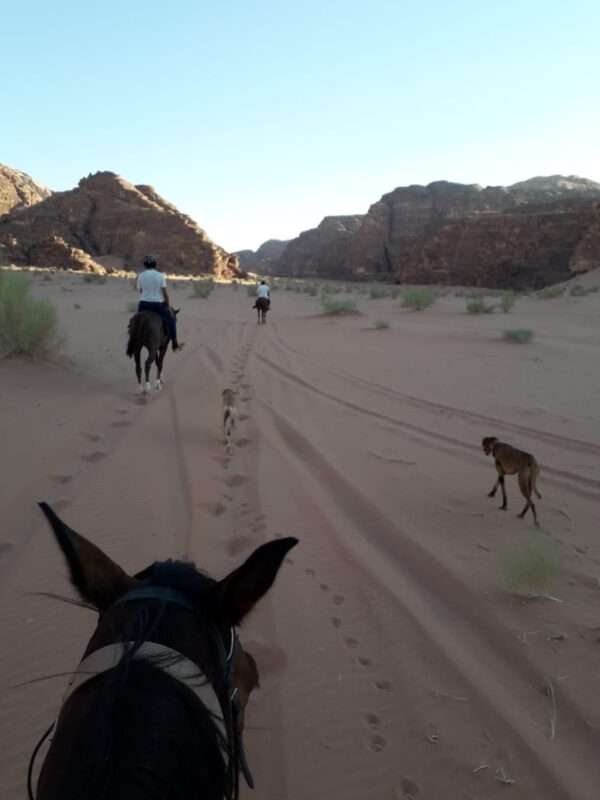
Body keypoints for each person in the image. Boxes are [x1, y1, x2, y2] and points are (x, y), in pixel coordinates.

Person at [136, 254, 185, 351]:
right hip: (156, 305)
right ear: (155, 264)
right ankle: (174, 343)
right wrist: (166, 305)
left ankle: (134, 342)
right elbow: (165, 294)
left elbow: (141, 292)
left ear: (145, 264)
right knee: (171, 320)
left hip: (143, 304)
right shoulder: (160, 276)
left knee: (136, 322)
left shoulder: (141, 276)